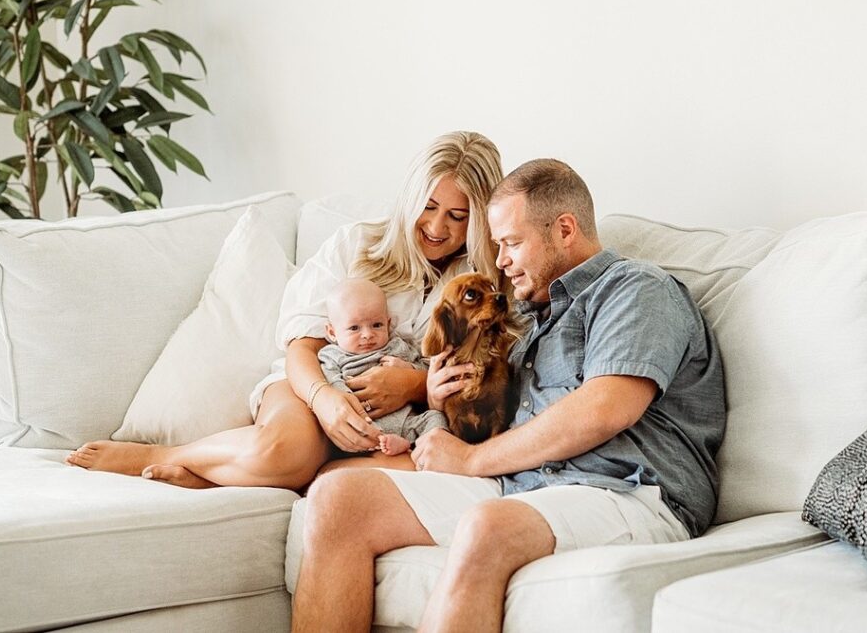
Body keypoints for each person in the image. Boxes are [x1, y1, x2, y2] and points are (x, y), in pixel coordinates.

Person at [291, 159, 727, 632]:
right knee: (338, 499)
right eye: (497, 245)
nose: (499, 261)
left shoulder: (636, 289)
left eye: (511, 243)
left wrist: (472, 461)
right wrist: (437, 402)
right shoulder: (528, 318)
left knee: (487, 526)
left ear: (564, 229)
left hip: (630, 490)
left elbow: (605, 409)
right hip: (526, 485)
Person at [66, 130, 506, 490]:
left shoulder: (487, 283)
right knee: (283, 453)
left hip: (401, 424)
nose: (435, 227)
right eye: (428, 207)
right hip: (313, 386)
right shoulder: (358, 244)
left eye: (457, 216)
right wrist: (326, 400)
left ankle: (235, 476)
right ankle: (167, 455)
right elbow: (303, 347)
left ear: (480, 220)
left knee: (385, 477)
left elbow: (471, 382)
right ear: (410, 199)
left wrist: (412, 386)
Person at [319, 277, 446, 456]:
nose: (367, 335)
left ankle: (426, 446)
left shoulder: (397, 346)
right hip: (366, 423)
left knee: (435, 418)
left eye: (376, 325)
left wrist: (407, 368)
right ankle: (385, 445)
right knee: (345, 429)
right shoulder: (333, 355)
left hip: (408, 421)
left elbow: (426, 373)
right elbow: (331, 381)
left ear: (388, 323)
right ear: (332, 332)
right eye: (354, 328)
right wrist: (345, 395)